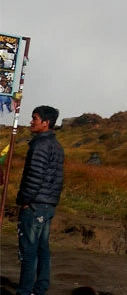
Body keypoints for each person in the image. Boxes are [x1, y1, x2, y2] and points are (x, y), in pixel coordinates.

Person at [16, 105, 65, 295]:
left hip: (35, 205)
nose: (31, 121)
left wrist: (25, 200)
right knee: (42, 248)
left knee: (28, 251)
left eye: (34, 118)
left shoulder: (40, 145)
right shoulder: (56, 146)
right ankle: (40, 288)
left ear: (45, 123)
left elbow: (34, 177)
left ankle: (25, 291)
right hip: (48, 204)